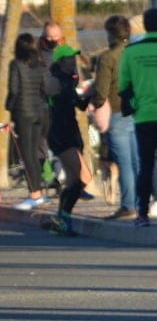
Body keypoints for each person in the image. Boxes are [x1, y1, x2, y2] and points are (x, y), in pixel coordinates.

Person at [118, 9, 157, 224]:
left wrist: (135, 104)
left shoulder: (130, 52)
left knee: (145, 165)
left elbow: (123, 87)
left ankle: (142, 212)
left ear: (144, 25)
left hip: (143, 116)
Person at [90, 15, 139, 220]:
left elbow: (101, 91)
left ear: (110, 33)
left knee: (124, 163)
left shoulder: (107, 57)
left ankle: (128, 205)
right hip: (139, 111)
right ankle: (143, 202)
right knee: (138, 161)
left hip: (118, 112)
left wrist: (95, 104)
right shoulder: (136, 53)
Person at [43, 45, 94, 234]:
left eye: (74, 57)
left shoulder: (71, 79)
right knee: (84, 178)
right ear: (60, 61)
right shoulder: (55, 81)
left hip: (71, 132)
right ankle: (63, 219)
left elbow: (80, 106)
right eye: (69, 58)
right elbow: (53, 103)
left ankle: (61, 222)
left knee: (73, 181)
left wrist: (90, 94)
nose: (73, 60)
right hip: (60, 134)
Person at [7, 32, 50, 209]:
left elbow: (14, 90)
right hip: (40, 111)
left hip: (23, 112)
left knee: (27, 154)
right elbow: (45, 87)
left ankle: (34, 194)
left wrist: (9, 106)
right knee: (35, 153)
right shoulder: (40, 64)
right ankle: (39, 191)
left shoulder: (16, 64)